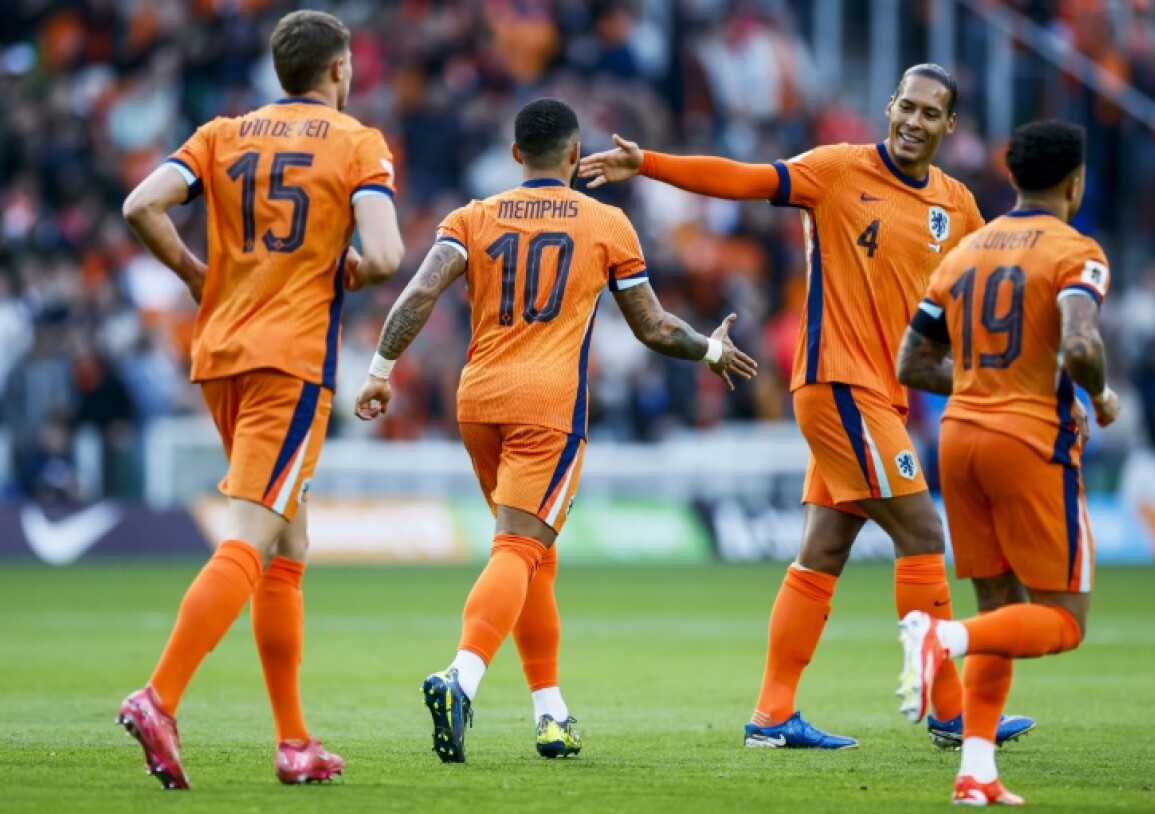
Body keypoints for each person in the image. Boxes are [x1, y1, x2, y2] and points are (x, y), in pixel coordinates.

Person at [579, 63, 1032, 750]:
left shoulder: (959, 206)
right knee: (923, 536)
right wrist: (649, 164)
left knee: (823, 551)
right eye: (905, 107)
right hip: (837, 384)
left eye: (929, 113)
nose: (913, 122)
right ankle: (949, 711)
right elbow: (748, 178)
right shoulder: (838, 170)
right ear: (888, 107)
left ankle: (771, 715)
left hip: (883, 395)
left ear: (951, 125)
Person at [354, 98, 756, 763]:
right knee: (519, 545)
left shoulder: (472, 216)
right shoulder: (607, 222)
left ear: (517, 155)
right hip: (548, 405)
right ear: (575, 155)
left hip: (477, 401)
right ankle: (462, 677)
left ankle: (551, 712)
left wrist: (379, 369)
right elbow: (653, 327)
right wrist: (710, 351)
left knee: (534, 552)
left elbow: (419, 292)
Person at [117, 10, 404, 789]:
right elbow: (384, 253)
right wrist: (341, 271)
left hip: (221, 357)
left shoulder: (220, 133)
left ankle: (294, 742)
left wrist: (191, 275)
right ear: (339, 70)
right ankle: (160, 696)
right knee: (252, 533)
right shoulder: (356, 143)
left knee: (288, 543)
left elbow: (140, 204)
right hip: (291, 363)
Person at [894, 119, 1120, 806]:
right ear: (1075, 182)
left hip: (959, 439)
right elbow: (1079, 345)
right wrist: (1101, 395)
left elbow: (912, 362)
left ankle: (977, 769)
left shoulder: (965, 252)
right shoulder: (1077, 250)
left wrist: (980, 387)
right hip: (1028, 441)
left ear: (1013, 177)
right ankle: (942, 637)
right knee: (1064, 619)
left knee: (999, 604)